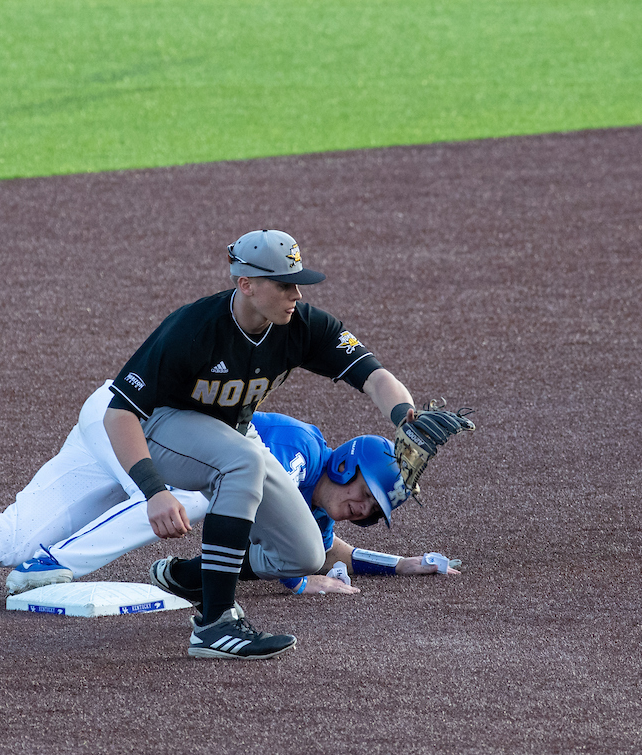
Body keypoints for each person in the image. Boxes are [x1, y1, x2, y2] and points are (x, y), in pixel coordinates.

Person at [97, 228, 464, 660]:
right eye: (284, 283)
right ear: (246, 284)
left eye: (297, 282)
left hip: (231, 435)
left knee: (305, 554)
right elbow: (118, 414)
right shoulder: (192, 327)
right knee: (244, 460)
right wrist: (155, 490)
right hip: (160, 430)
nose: (296, 293)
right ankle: (215, 624)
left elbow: (374, 376)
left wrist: (405, 414)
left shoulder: (304, 327)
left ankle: (190, 577)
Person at [0, 383, 459, 613]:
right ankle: (52, 565)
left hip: (116, 435)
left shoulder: (310, 503)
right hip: (128, 422)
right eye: (366, 499)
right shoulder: (295, 448)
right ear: (344, 465)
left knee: (0, 538)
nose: (365, 512)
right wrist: (294, 583)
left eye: (374, 513)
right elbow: (248, 499)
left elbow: (321, 549)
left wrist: (404, 564)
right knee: (195, 498)